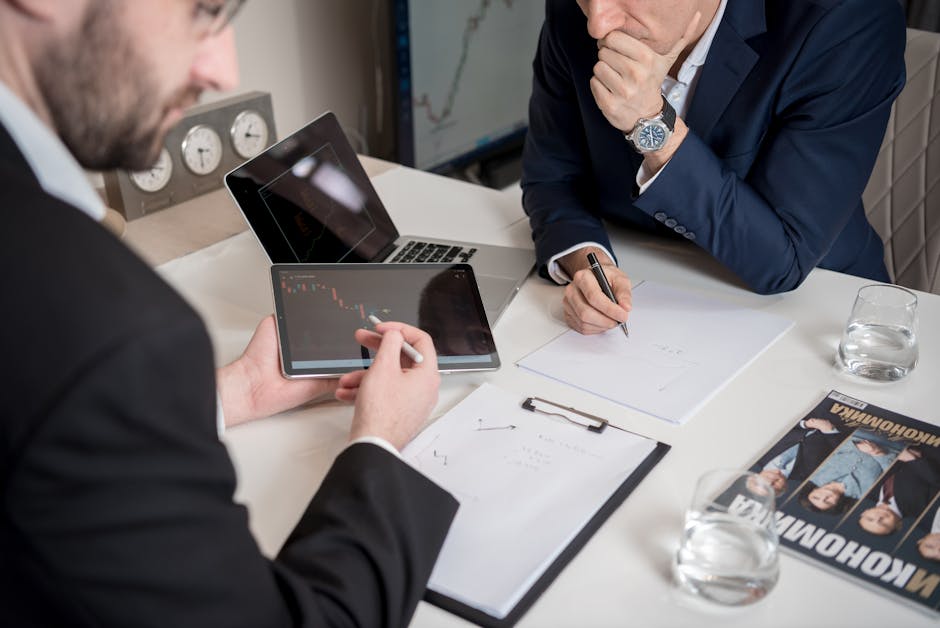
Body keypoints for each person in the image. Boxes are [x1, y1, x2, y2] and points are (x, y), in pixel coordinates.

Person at [0, 1, 457, 626]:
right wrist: (379, 442)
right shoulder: (107, 334)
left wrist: (238, 392)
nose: (225, 68)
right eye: (204, 11)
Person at [522, 0, 906, 334]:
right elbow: (553, 176)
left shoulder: (847, 22)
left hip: (814, 307)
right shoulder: (581, 12)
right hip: (647, 290)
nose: (597, 24)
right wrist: (589, 263)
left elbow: (783, 260)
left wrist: (651, 123)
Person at [798, 435, 901, 514]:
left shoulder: (815, 473)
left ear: (812, 491)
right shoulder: (864, 493)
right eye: (827, 502)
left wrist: (855, 445)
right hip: (894, 446)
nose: (824, 497)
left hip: (857, 435)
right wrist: (878, 453)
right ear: (837, 504)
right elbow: (891, 473)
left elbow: (830, 445)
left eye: (816, 497)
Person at [857, 448, 940, 536]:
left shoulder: (868, 491)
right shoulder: (921, 510)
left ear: (864, 512)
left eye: (870, 519)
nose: (879, 518)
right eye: (884, 524)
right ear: (898, 526)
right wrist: (911, 459)